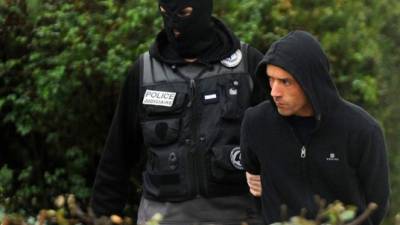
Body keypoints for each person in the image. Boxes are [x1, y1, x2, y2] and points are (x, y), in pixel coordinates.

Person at [90, 0, 266, 224]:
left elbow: (285, 145)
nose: (173, 24)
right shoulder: (144, 73)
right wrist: (99, 218)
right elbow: (116, 159)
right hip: (161, 217)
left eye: (184, 12)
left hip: (238, 216)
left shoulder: (248, 65)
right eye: (165, 12)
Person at [240, 30, 390, 225]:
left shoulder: (362, 130)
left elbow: (376, 204)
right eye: (271, 79)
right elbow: (253, 182)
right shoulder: (256, 122)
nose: (275, 92)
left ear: (310, 81)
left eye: (286, 82)